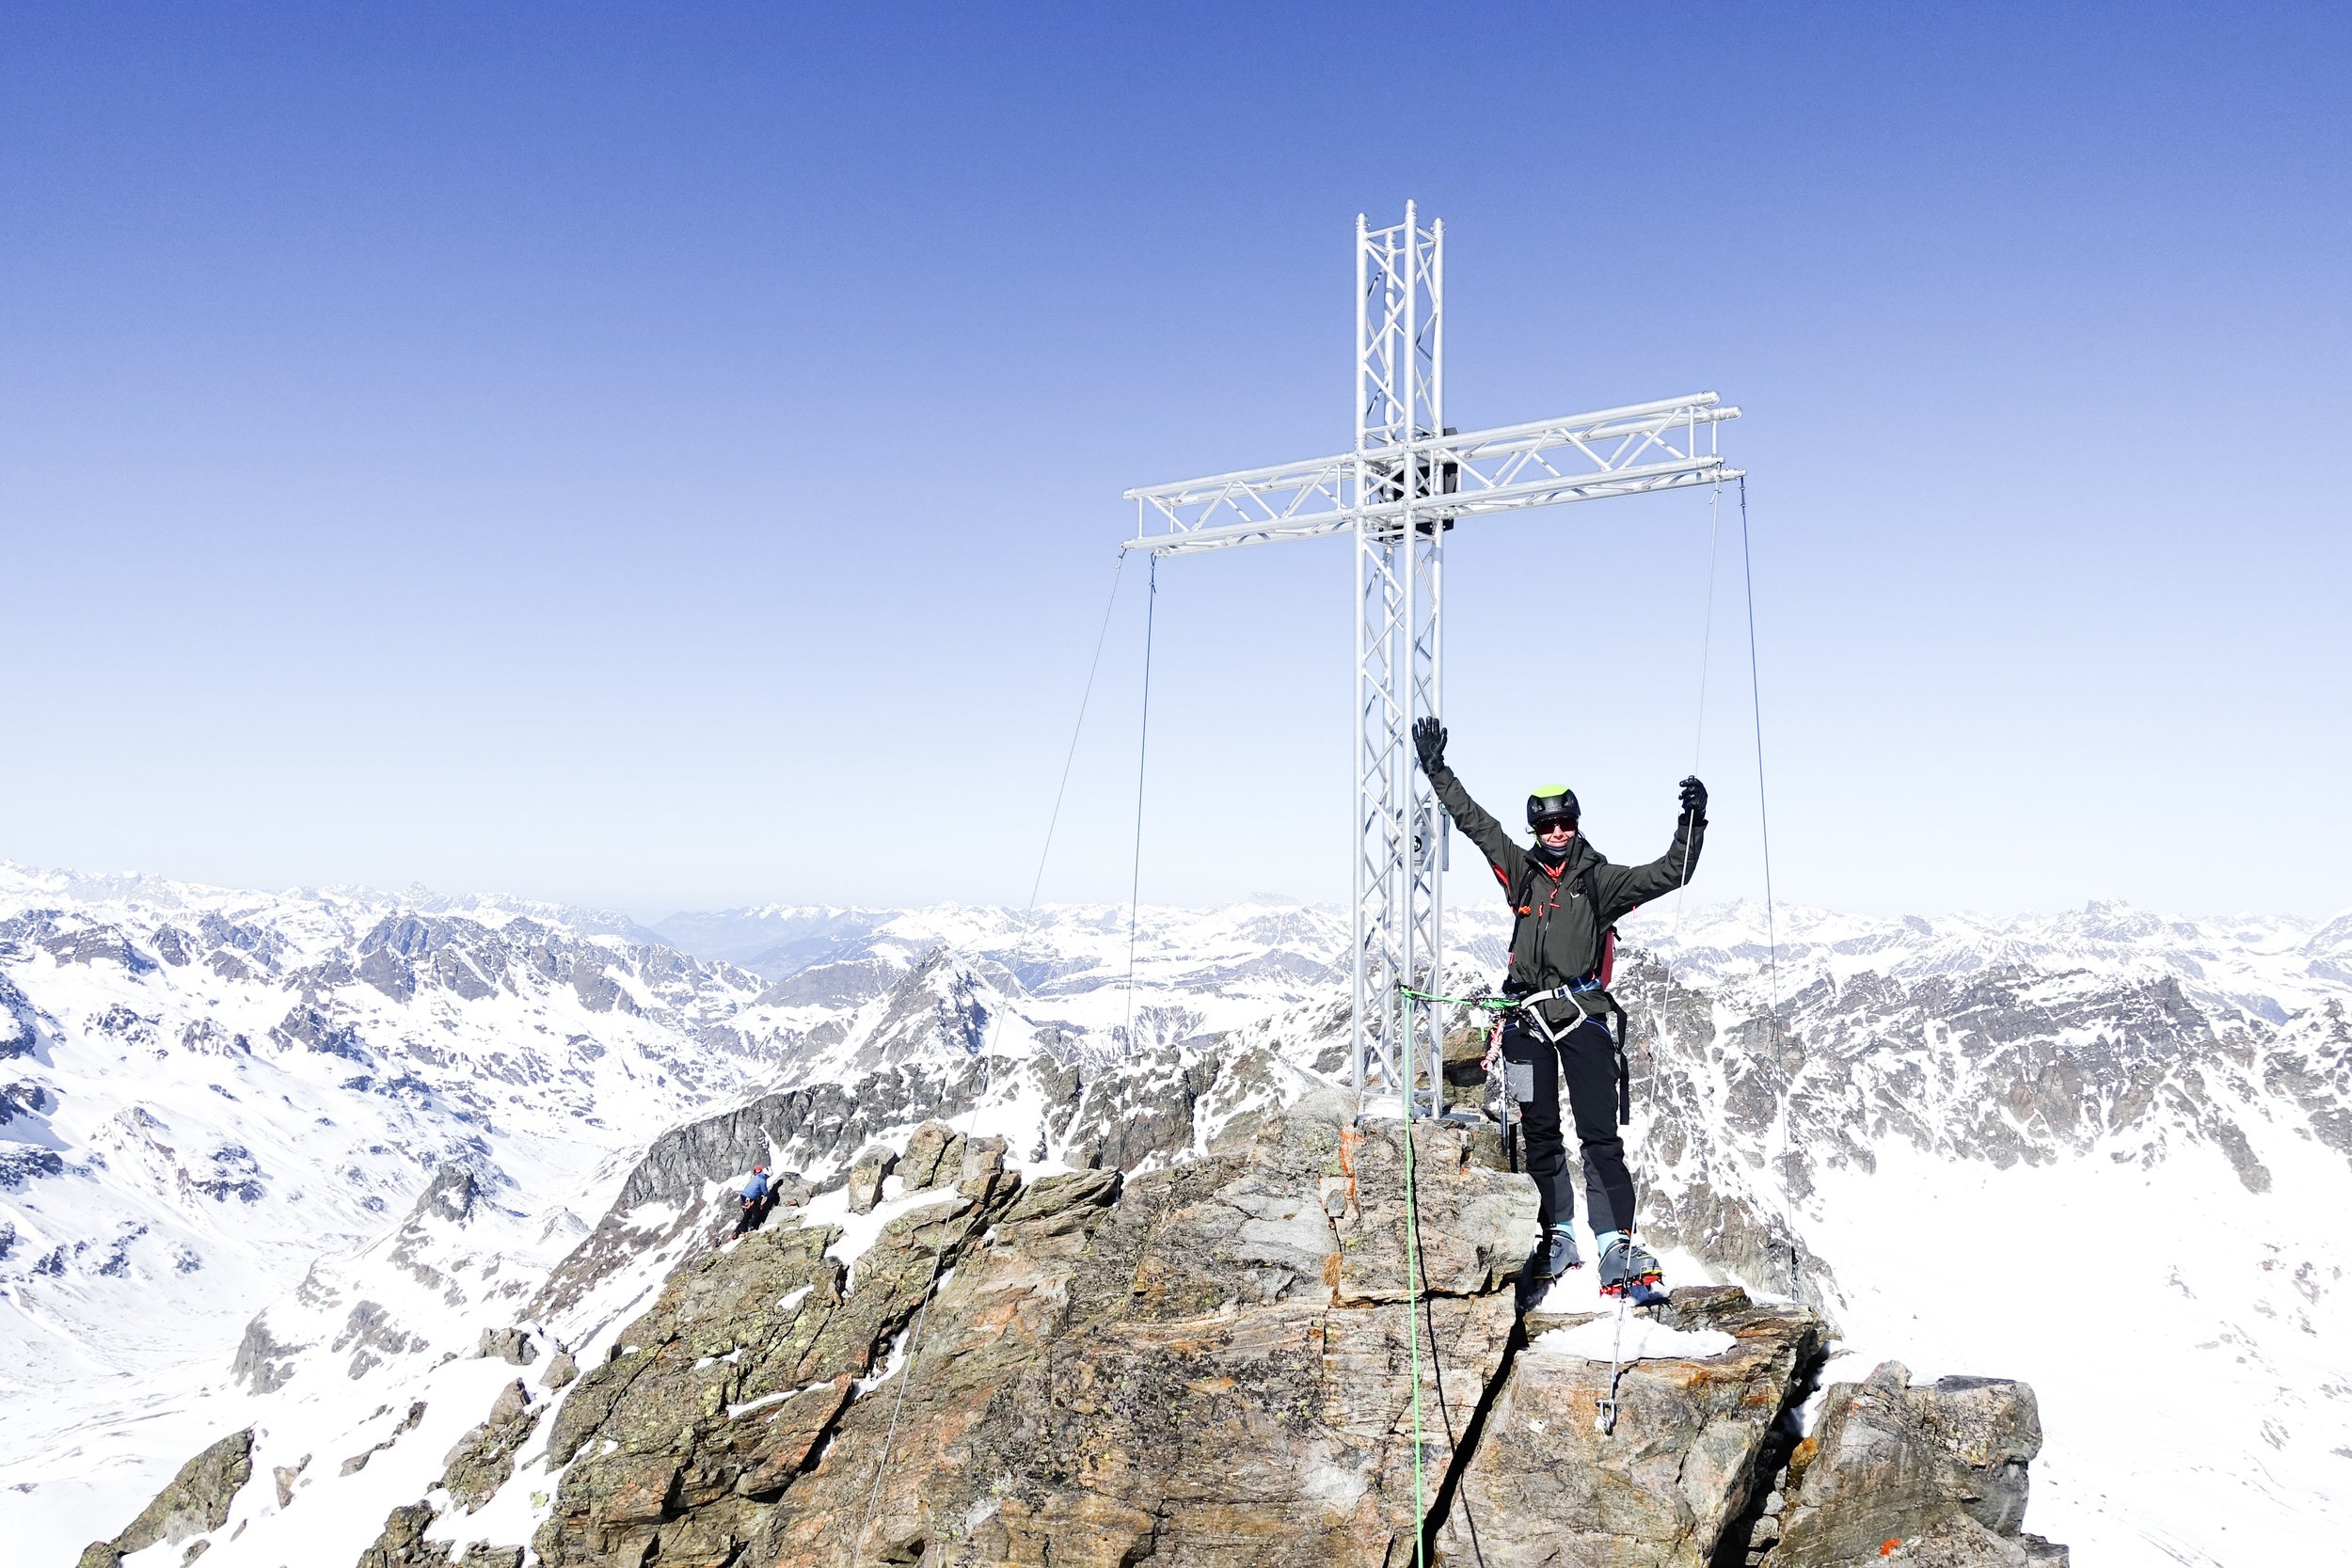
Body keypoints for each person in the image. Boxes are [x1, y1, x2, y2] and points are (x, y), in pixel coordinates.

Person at [1411, 715, 1707, 1304]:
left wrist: (1692, 822)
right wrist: (1436, 769)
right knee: (1540, 1131)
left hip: (1583, 1017)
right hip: (1526, 1022)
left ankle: (1615, 1243)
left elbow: (1672, 873)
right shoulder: (1519, 873)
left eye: (1564, 822)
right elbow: (1476, 824)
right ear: (1536, 828)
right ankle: (1557, 1235)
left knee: (1599, 1137)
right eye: (1546, 824)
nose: (1555, 831)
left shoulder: (1600, 882)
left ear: (1576, 825)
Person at [732, 1164, 774, 1238]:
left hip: (744, 1196)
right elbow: (764, 1191)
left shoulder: (758, 1176)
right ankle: (751, 1226)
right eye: (768, 1176)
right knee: (757, 1213)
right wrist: (770, 1196)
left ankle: (740, 1230)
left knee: (747, 1214)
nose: (768, 1177)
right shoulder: (762, 1180)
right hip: (749, 1198)